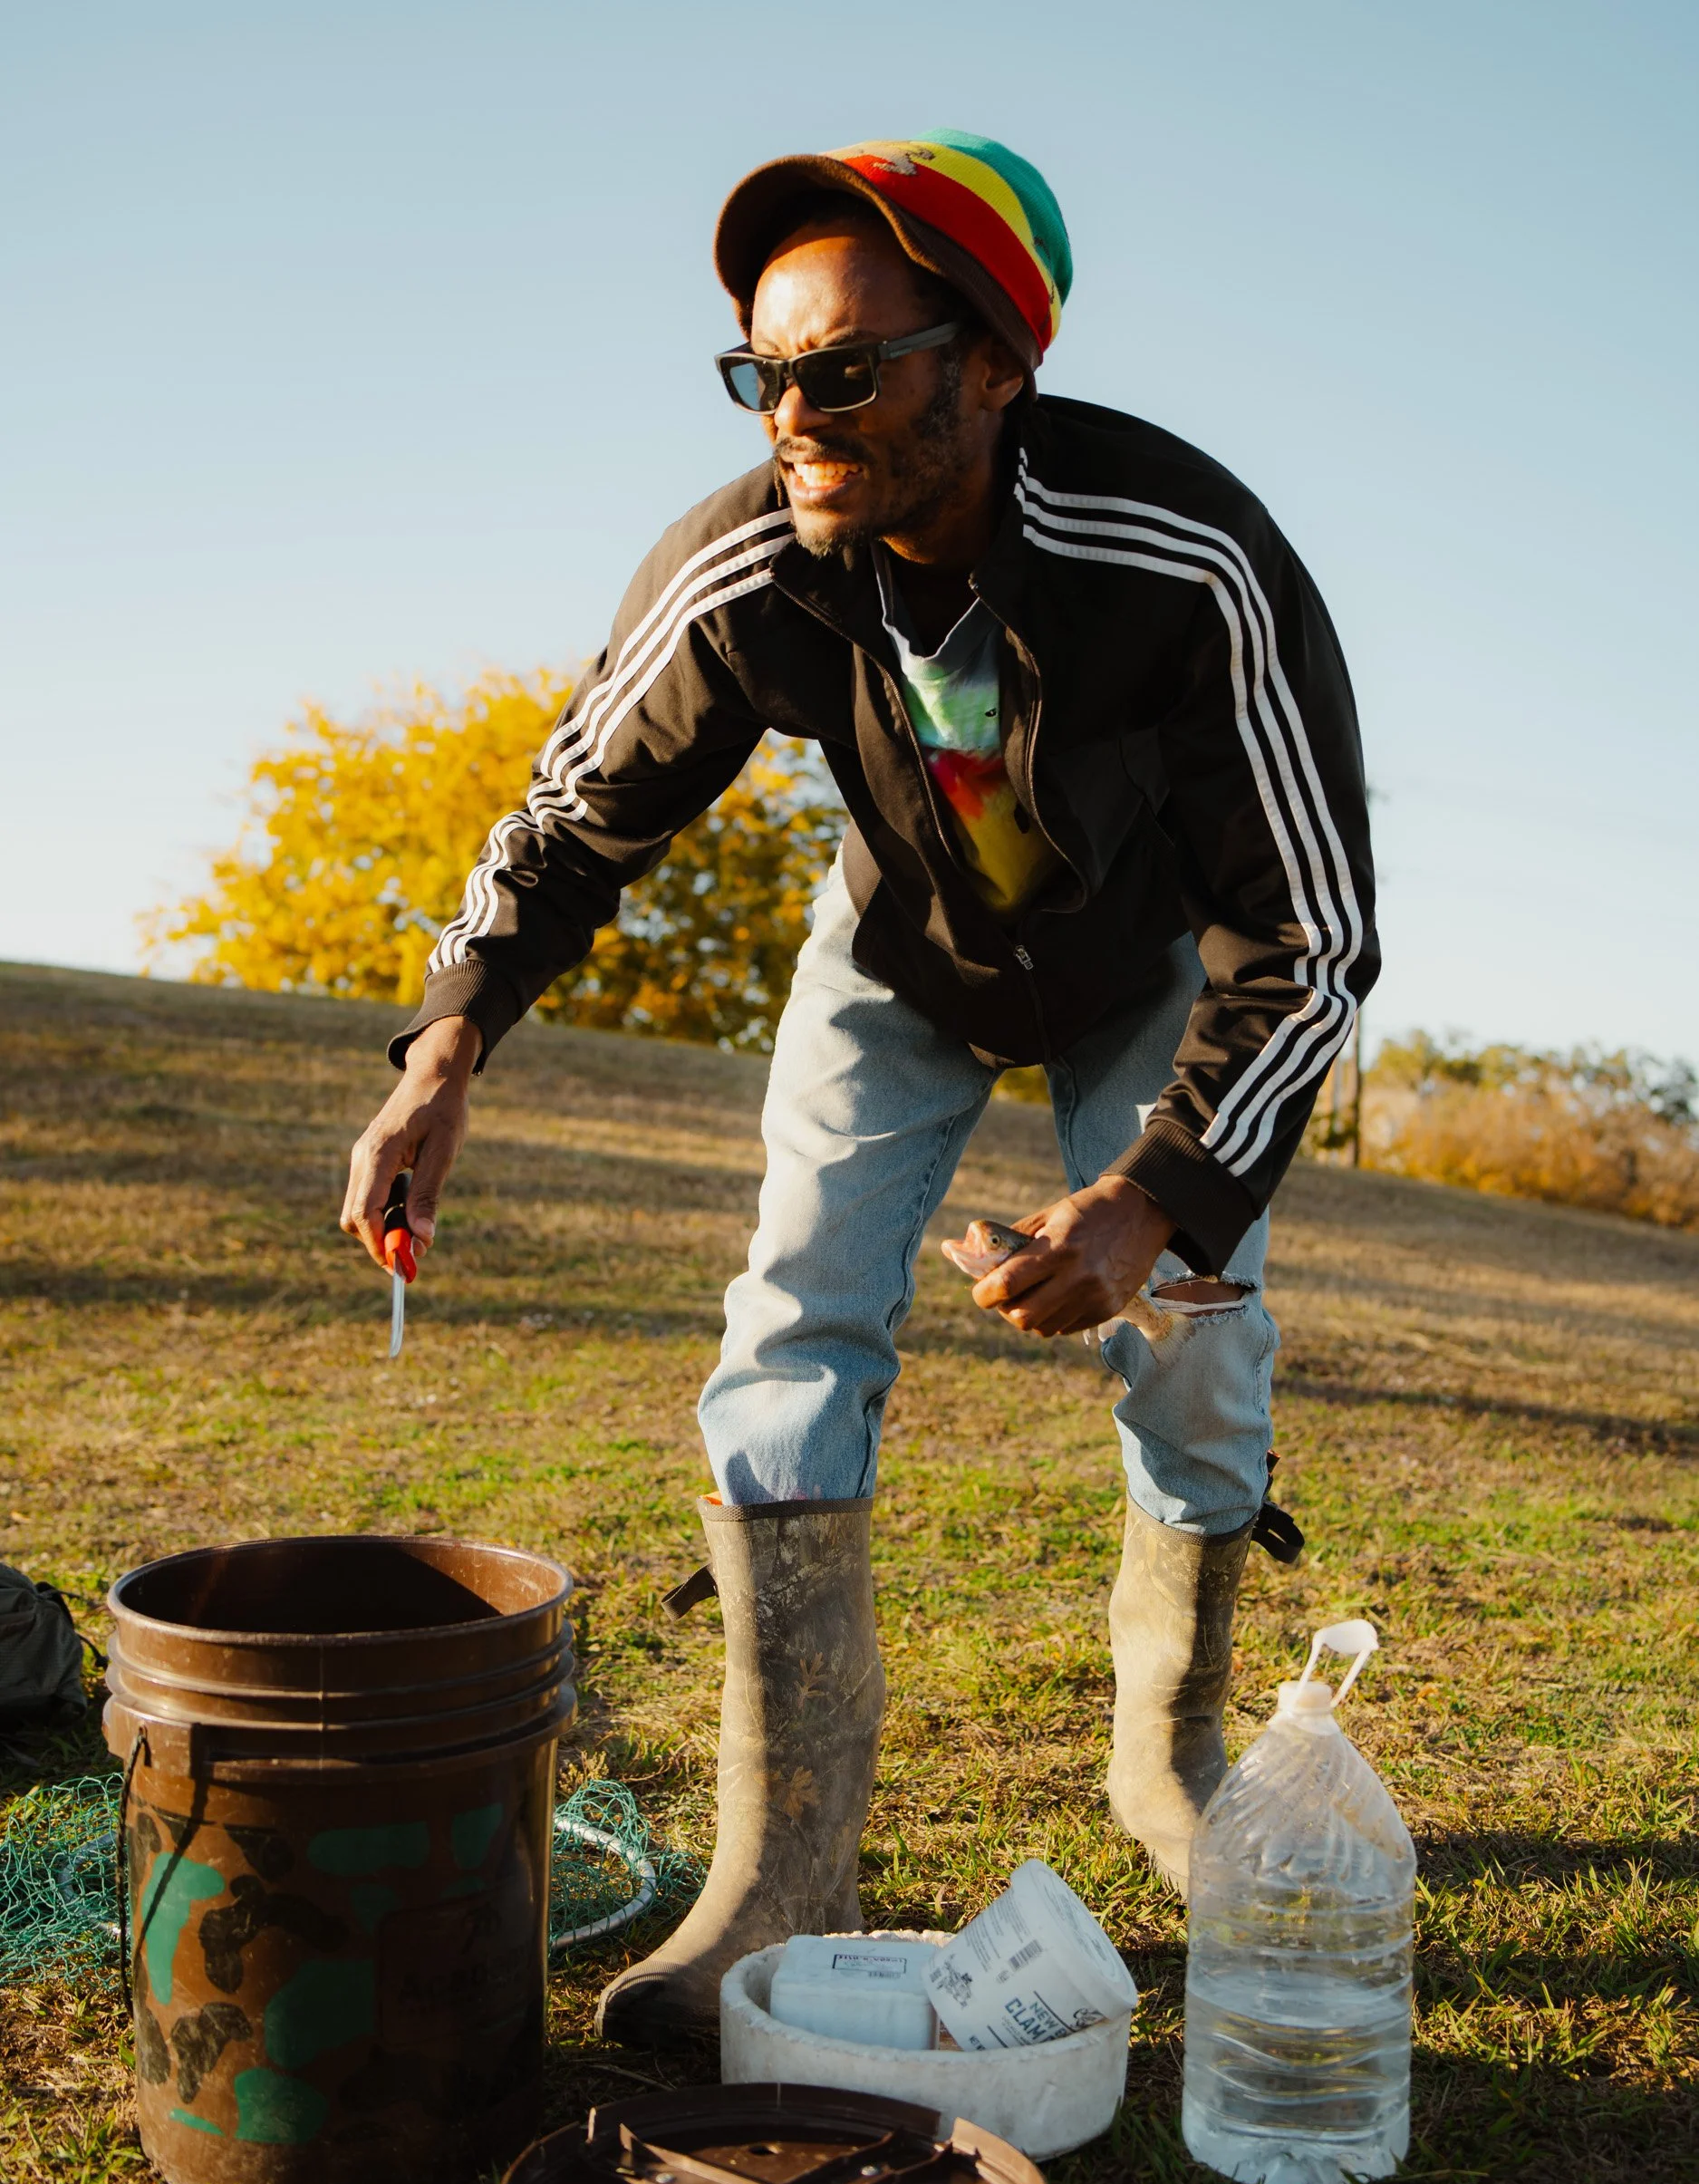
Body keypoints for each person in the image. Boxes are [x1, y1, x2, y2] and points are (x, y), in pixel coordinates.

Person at [341, 131, 1376, 2048]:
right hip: (898, 955)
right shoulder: (748, 560)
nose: (794, 414)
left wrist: (1150, 1195)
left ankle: (1171, 1753)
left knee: (1199, 1331)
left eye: (844, 368)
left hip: (1146, 967)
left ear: (989, 363)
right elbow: (570, 815)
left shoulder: (1184, 561)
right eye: (762, 373)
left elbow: (1308, 937)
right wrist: (445, 1046)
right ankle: (785, 1849)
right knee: (791, 1313)